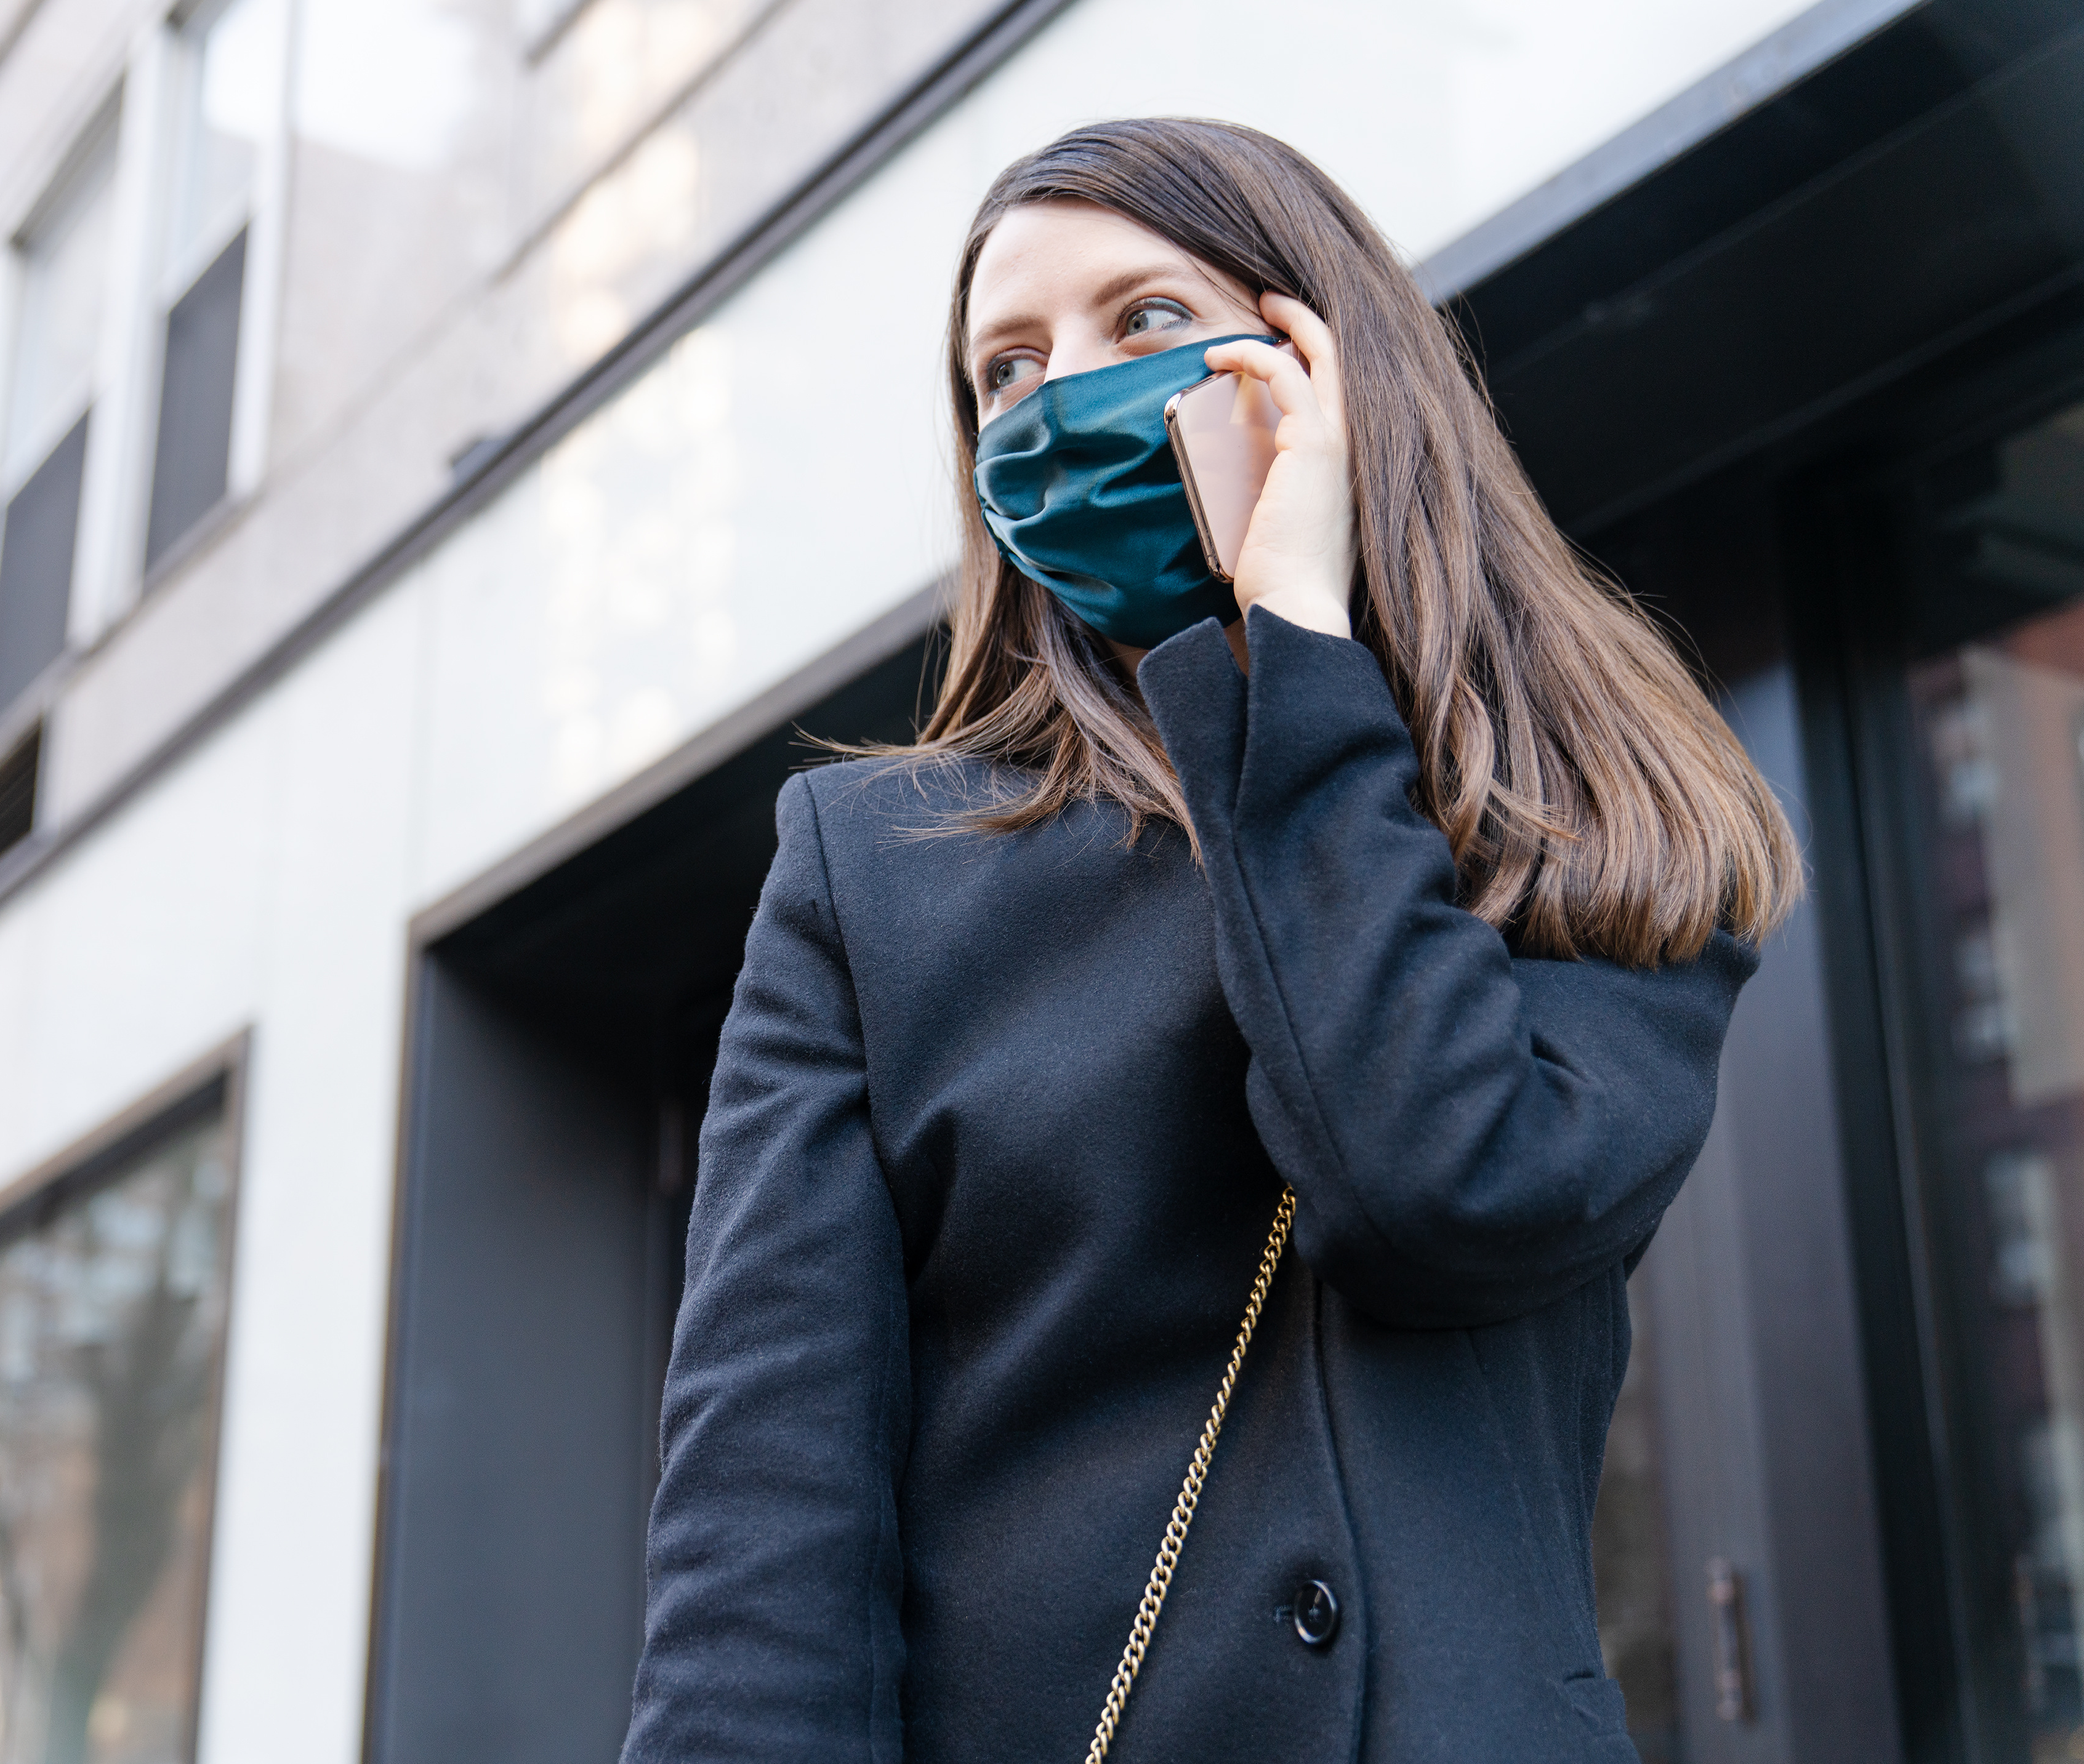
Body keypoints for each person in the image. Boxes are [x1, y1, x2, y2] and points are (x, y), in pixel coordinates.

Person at [620, 118, 1800, 1764]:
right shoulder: (872, 871)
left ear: (1319, 361)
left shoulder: (1606, 823)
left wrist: (1295, 654)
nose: (1058, 396)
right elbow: (764, 1527)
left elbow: (1433, 1189)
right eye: (1006, 370)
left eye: (1143, 320)